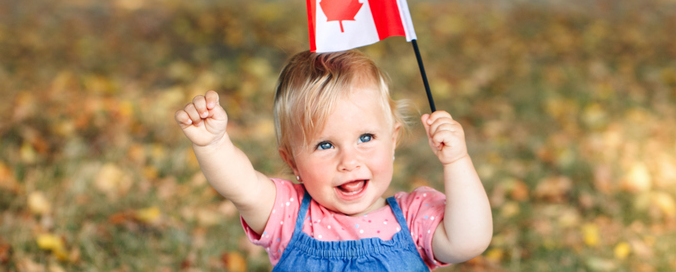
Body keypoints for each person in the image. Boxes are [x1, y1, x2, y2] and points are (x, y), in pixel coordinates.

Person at [175, 50, 491, 270]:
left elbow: (469, 240)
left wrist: (457, 161)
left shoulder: (413, 219)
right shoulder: (289, 214)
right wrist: (214, 144)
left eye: (365, 138)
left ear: (392, 139)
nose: (349, 160)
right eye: (325, 145)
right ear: (293, 162)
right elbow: (241, 187)